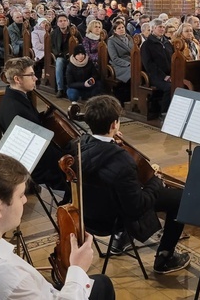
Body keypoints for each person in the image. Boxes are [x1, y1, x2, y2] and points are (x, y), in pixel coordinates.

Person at [0, 152, 115, 300]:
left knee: (99, 284)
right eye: (21, 195)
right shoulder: (8, 279)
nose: (25, 200)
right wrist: (77, 268)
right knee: (102, 285)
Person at [79, 95, 190, 273]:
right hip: (113, 220)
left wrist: (113, 143)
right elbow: (137, 207)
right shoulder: (122, 161)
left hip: (90, 217)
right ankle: (165, 257)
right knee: (181, 198)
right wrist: (155, 180)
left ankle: (119, 241)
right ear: (114, 125)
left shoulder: (79, 145)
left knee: (126, 189)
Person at [0, 57, 69, 199]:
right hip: (35, 165)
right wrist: (66, 155)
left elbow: (32, 123)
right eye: (31, 75)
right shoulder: (14, 107)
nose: (35, 78)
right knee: (77, 168)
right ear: (17, 79)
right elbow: (34, 146)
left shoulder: (17, 97)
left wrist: (46, 115)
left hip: (40, 156)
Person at [141, 18, 174, 118]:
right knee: (169, 87)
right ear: (153, 28)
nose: (162, 29)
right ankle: (164, 112)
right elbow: (149, 64)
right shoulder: (147, 45)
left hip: (170, 74)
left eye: (163, 27)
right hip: (155, 76)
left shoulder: (167, 43)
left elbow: (173, 59)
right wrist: (164, 76)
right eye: (160, 27)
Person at [107, 21, 133, 104]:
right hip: (119, 64)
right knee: (132, 72)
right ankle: (125, 98)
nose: (121, 29)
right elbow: (114, 58)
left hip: (132, 61)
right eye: (119, 28)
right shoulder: (111, 40)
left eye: (122, 27)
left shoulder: (129, 37)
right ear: (114, 31)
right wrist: (128, 64)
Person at [51, 14, 74, 97]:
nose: (63, 23)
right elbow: (52, 47)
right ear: (57, 23)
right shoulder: (54, 33)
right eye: (60, 21)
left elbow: (80, 42)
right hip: (60, 56)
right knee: (59, 62)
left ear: (68, 22)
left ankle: (74, 88)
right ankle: (60, 88)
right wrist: (59, 54)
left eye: (65, 21)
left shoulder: (73, 31)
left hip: (73, 55)